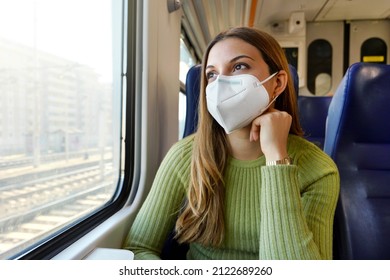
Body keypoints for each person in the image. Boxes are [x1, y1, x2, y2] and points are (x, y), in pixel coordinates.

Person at [123, 26, 340, 260]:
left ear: (277, 83)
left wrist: (277, 160)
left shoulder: (319, 170)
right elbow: (138, 248)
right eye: (212, 74)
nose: (221, 84)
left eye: (239, 67)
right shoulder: (184, 156)